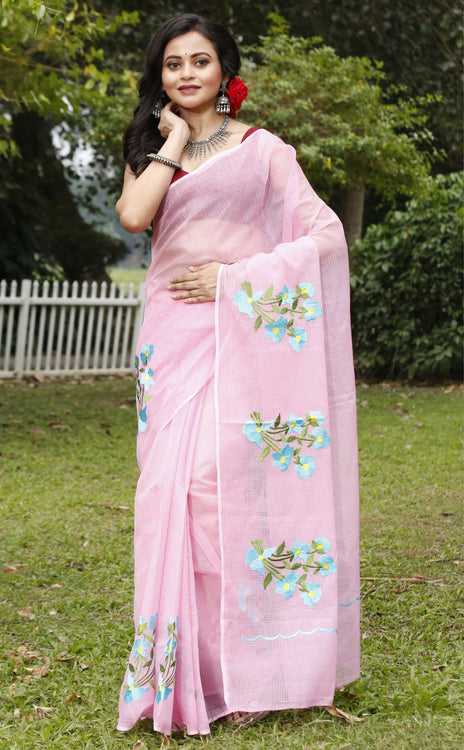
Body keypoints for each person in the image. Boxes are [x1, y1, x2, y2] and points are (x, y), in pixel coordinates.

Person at [115, 13, 360, 737]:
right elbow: (133, 217)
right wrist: (174, 143)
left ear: (226, 70)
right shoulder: (150, 149)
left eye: (200, 61)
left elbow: (325, 236)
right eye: (173, 64)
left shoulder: (263, 151)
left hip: (238, 331)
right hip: (171, 341)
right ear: (159, 76)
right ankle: (186, 670)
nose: (186, 74)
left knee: (216, 492)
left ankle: (253, 665)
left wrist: (235, 277)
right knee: (169, 494)